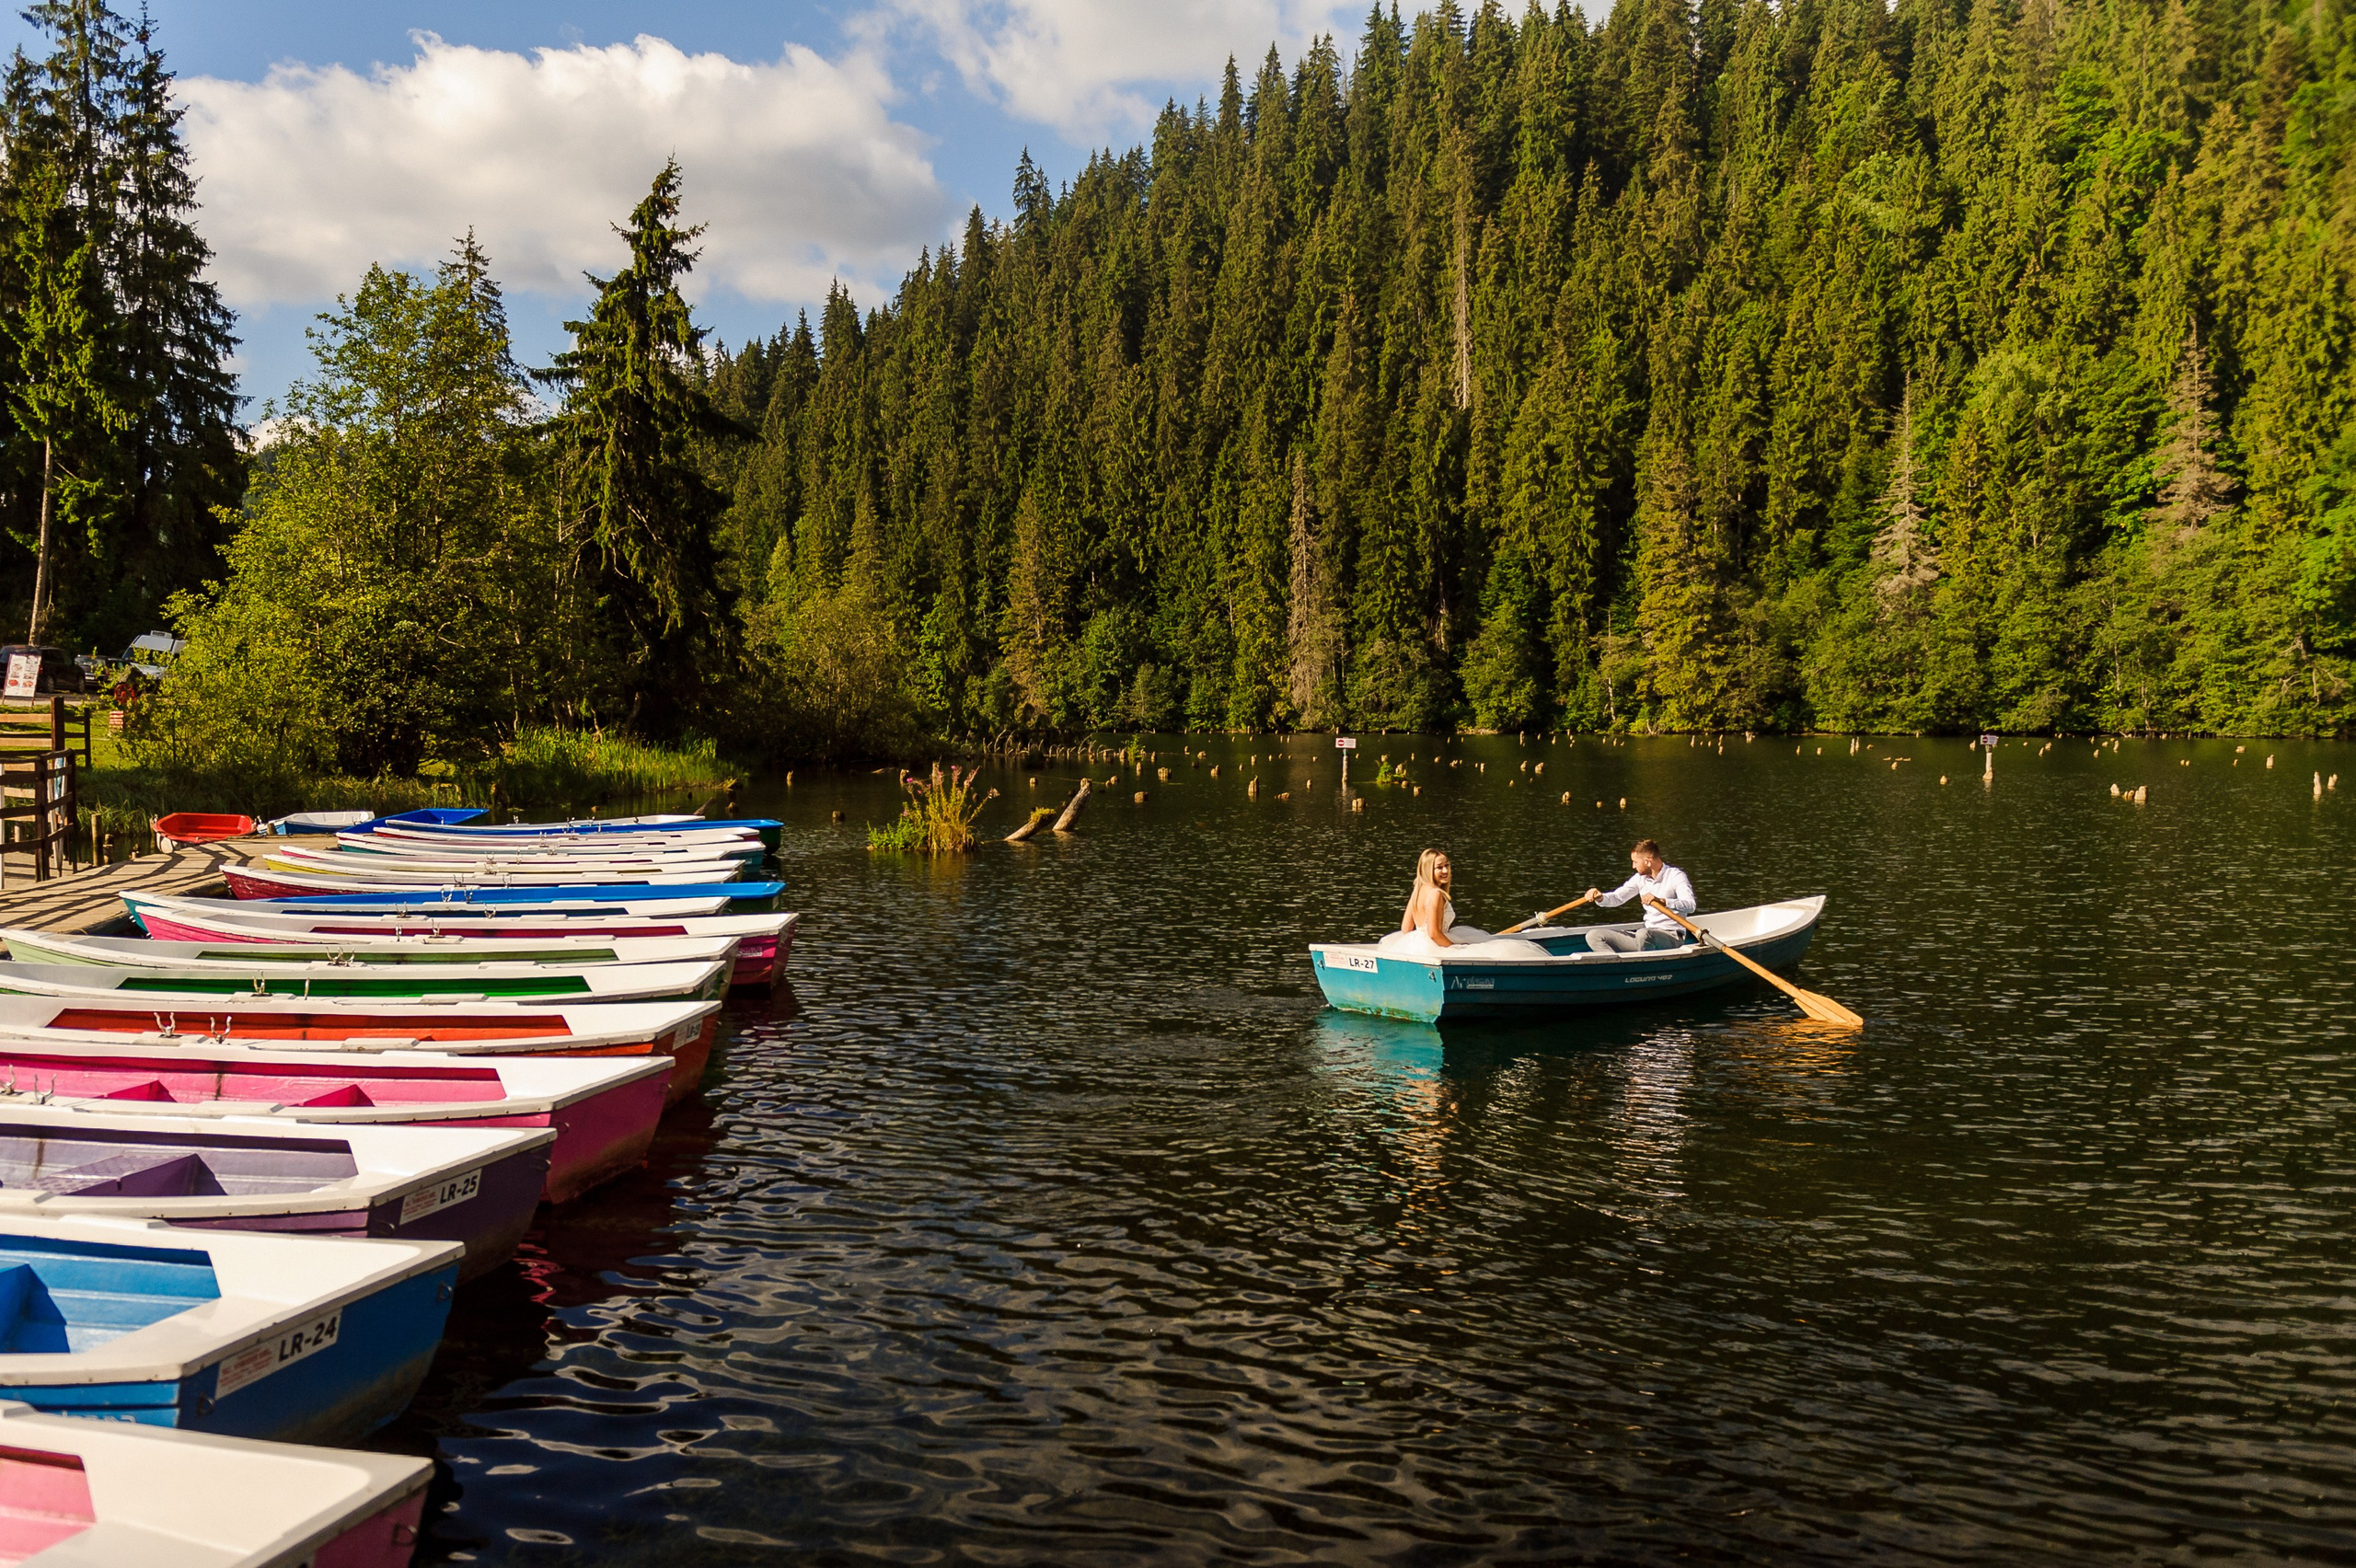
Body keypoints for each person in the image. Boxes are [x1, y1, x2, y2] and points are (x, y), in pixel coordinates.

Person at [1583, 839, 1697, 953]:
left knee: (1643, 935)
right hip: (1646, 936)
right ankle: (1619, 967)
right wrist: (1600, 897)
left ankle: (1644, 966)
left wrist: (1664, 902)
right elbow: (1617, 897)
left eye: (1635, 862)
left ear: (1648, 862)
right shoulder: (1639, 878)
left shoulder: (1676, 876)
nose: (1633, 866)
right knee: (1594, 935)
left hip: (1671, 936)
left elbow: (1690, 905)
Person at [1398, 847, 1463, 947]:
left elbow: (1406, 928)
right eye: (1439, 867)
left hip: (1419, 946)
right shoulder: (1435, 894)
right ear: (1428, 869)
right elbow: (1433, 934)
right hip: (1436, 947)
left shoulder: (1418, 890)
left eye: (1447, 865)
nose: (1445, 870)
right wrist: (1455, 949)